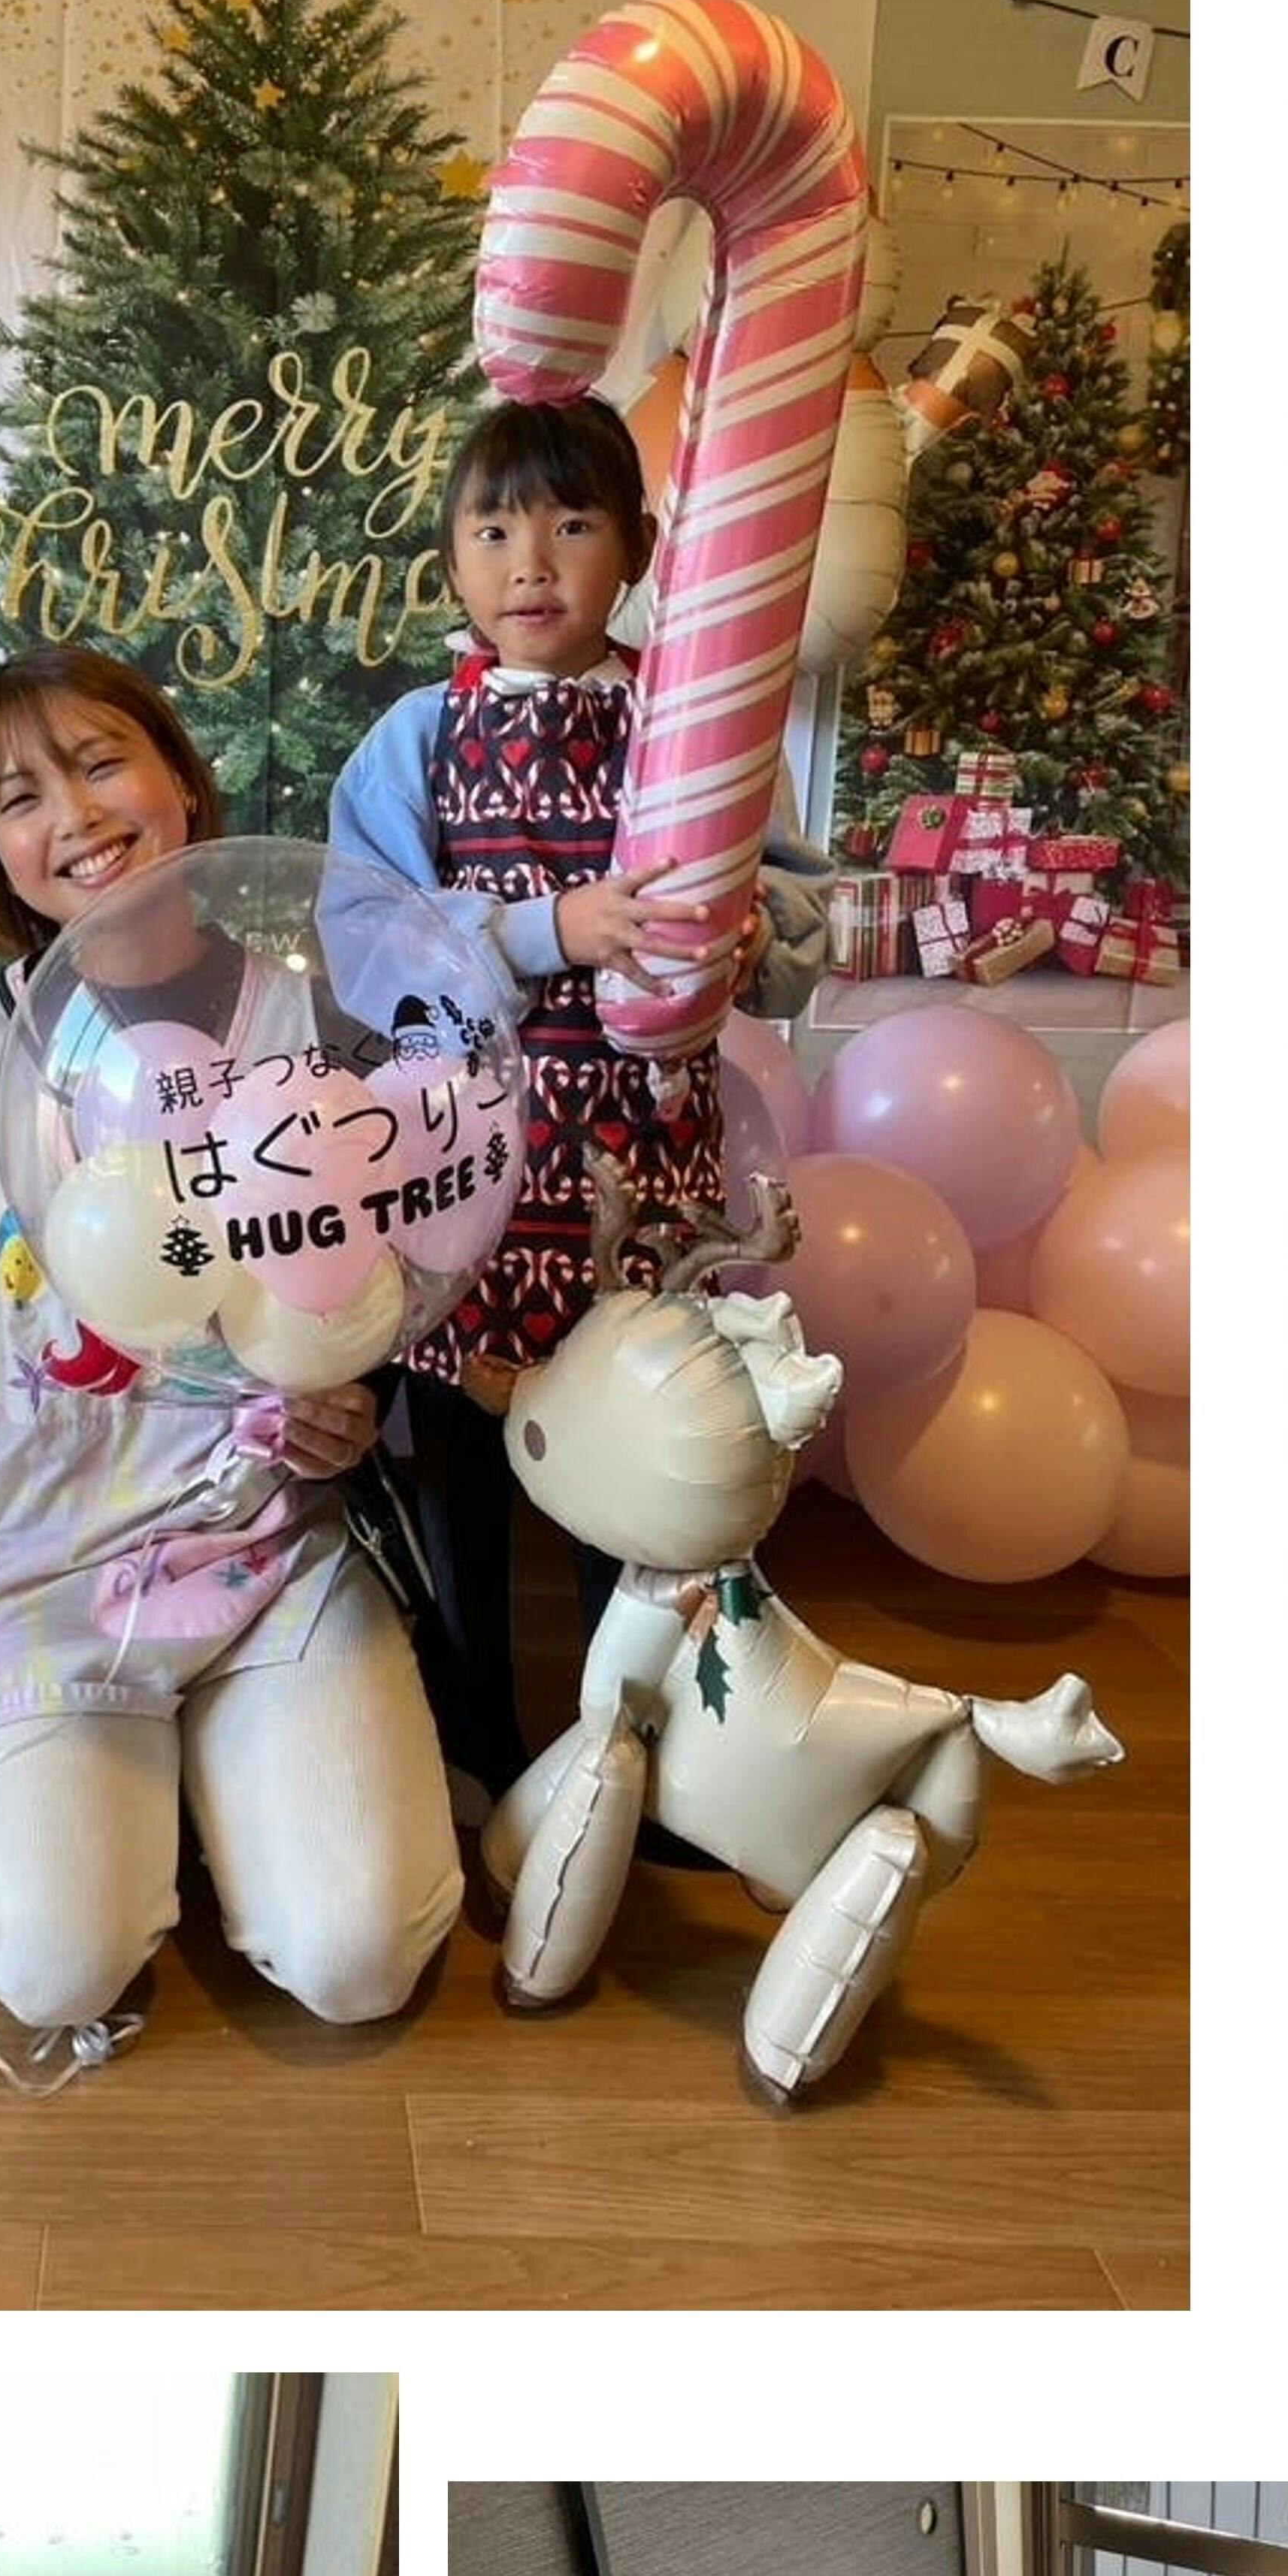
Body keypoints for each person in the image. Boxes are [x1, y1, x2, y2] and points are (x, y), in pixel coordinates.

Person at [0, 649, 459, 2034]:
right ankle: (93, 1811)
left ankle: (197, 1787)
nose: (77, 815)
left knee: (359, 1960)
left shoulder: (324, 1029)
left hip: (262, 1547)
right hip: (18, 1573)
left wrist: (359, 1401)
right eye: (20, 797)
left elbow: (387, 1290)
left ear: (179, 778)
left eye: (102, 761)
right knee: (61, 1966)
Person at [328, 395, 747, 1797]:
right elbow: (367, 938)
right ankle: (473, 1740)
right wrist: (539, 932)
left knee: (637, 1447)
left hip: (642, 1152)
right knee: (459, 1445)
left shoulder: (684, 722)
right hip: (472, 1159)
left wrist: (754, 936)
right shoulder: (419, 737)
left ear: (636, 548)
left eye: (572, 526)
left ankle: (645, 1756)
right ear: (452, 559)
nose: (531, 565)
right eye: (494, 532)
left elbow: (781, 890)